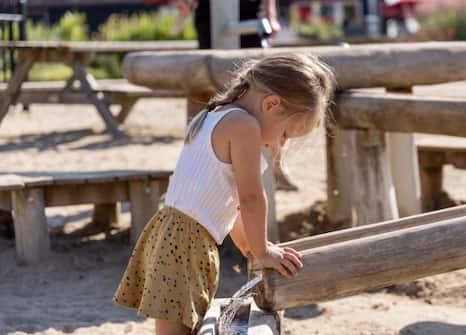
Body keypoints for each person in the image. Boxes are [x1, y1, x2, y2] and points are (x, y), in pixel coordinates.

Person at [113, 53, 336, 335]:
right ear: (271, 104)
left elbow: (230, 207)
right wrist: (263, 250)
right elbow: (251, 198)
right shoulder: (244, 126)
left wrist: (250, 249)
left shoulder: (219, 114)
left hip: (177, 235)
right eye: (285, 134)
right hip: (185, 242)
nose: (280, 144)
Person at [175, 0, 297, 190]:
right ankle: (205, 167)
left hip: (249, 12)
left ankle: (275, 165)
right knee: (210, 87)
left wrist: (271, 16)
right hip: (211, 14)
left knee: (266, 87)